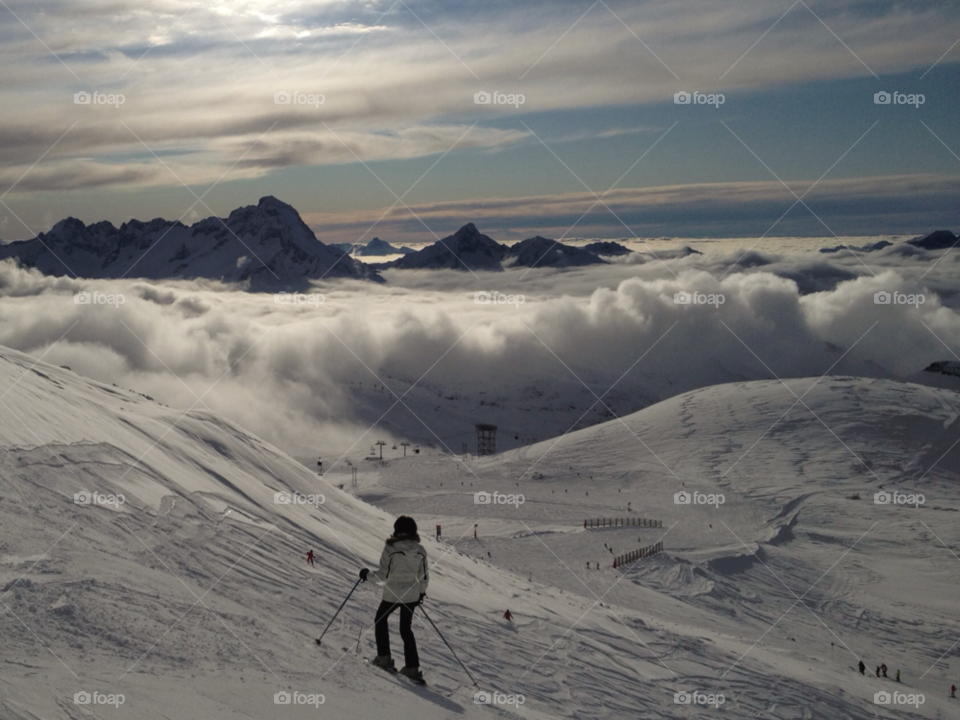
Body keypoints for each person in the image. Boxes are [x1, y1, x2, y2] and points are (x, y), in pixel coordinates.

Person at [359, 516, 429, 684]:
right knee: (406, 629)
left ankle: (384, 659)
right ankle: (412, 669)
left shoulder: (390, 548)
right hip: (411, 594)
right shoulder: (420, 550)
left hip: (392, 593)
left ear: (397, 530)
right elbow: (424, 576)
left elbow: (383, 575)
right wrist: (420, 593)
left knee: (380, 620)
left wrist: (366, 575)